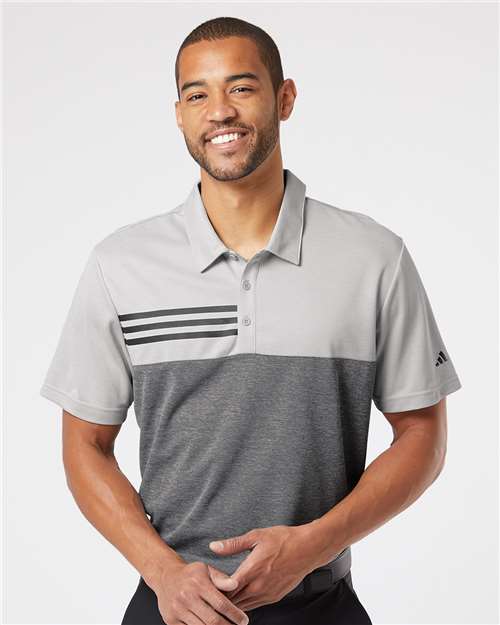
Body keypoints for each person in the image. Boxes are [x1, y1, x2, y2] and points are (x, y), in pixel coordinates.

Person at [39, 15, 462, 625]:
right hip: (169, 605)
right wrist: (162, 571)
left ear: (284, 98)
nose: (220, 112)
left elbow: (423, 435)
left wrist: (312, 546)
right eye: (197, 95)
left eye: (241, 87)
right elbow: (85, 445)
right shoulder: (120, 265)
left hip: (322, 605)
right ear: (179, 115)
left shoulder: (374, 257)